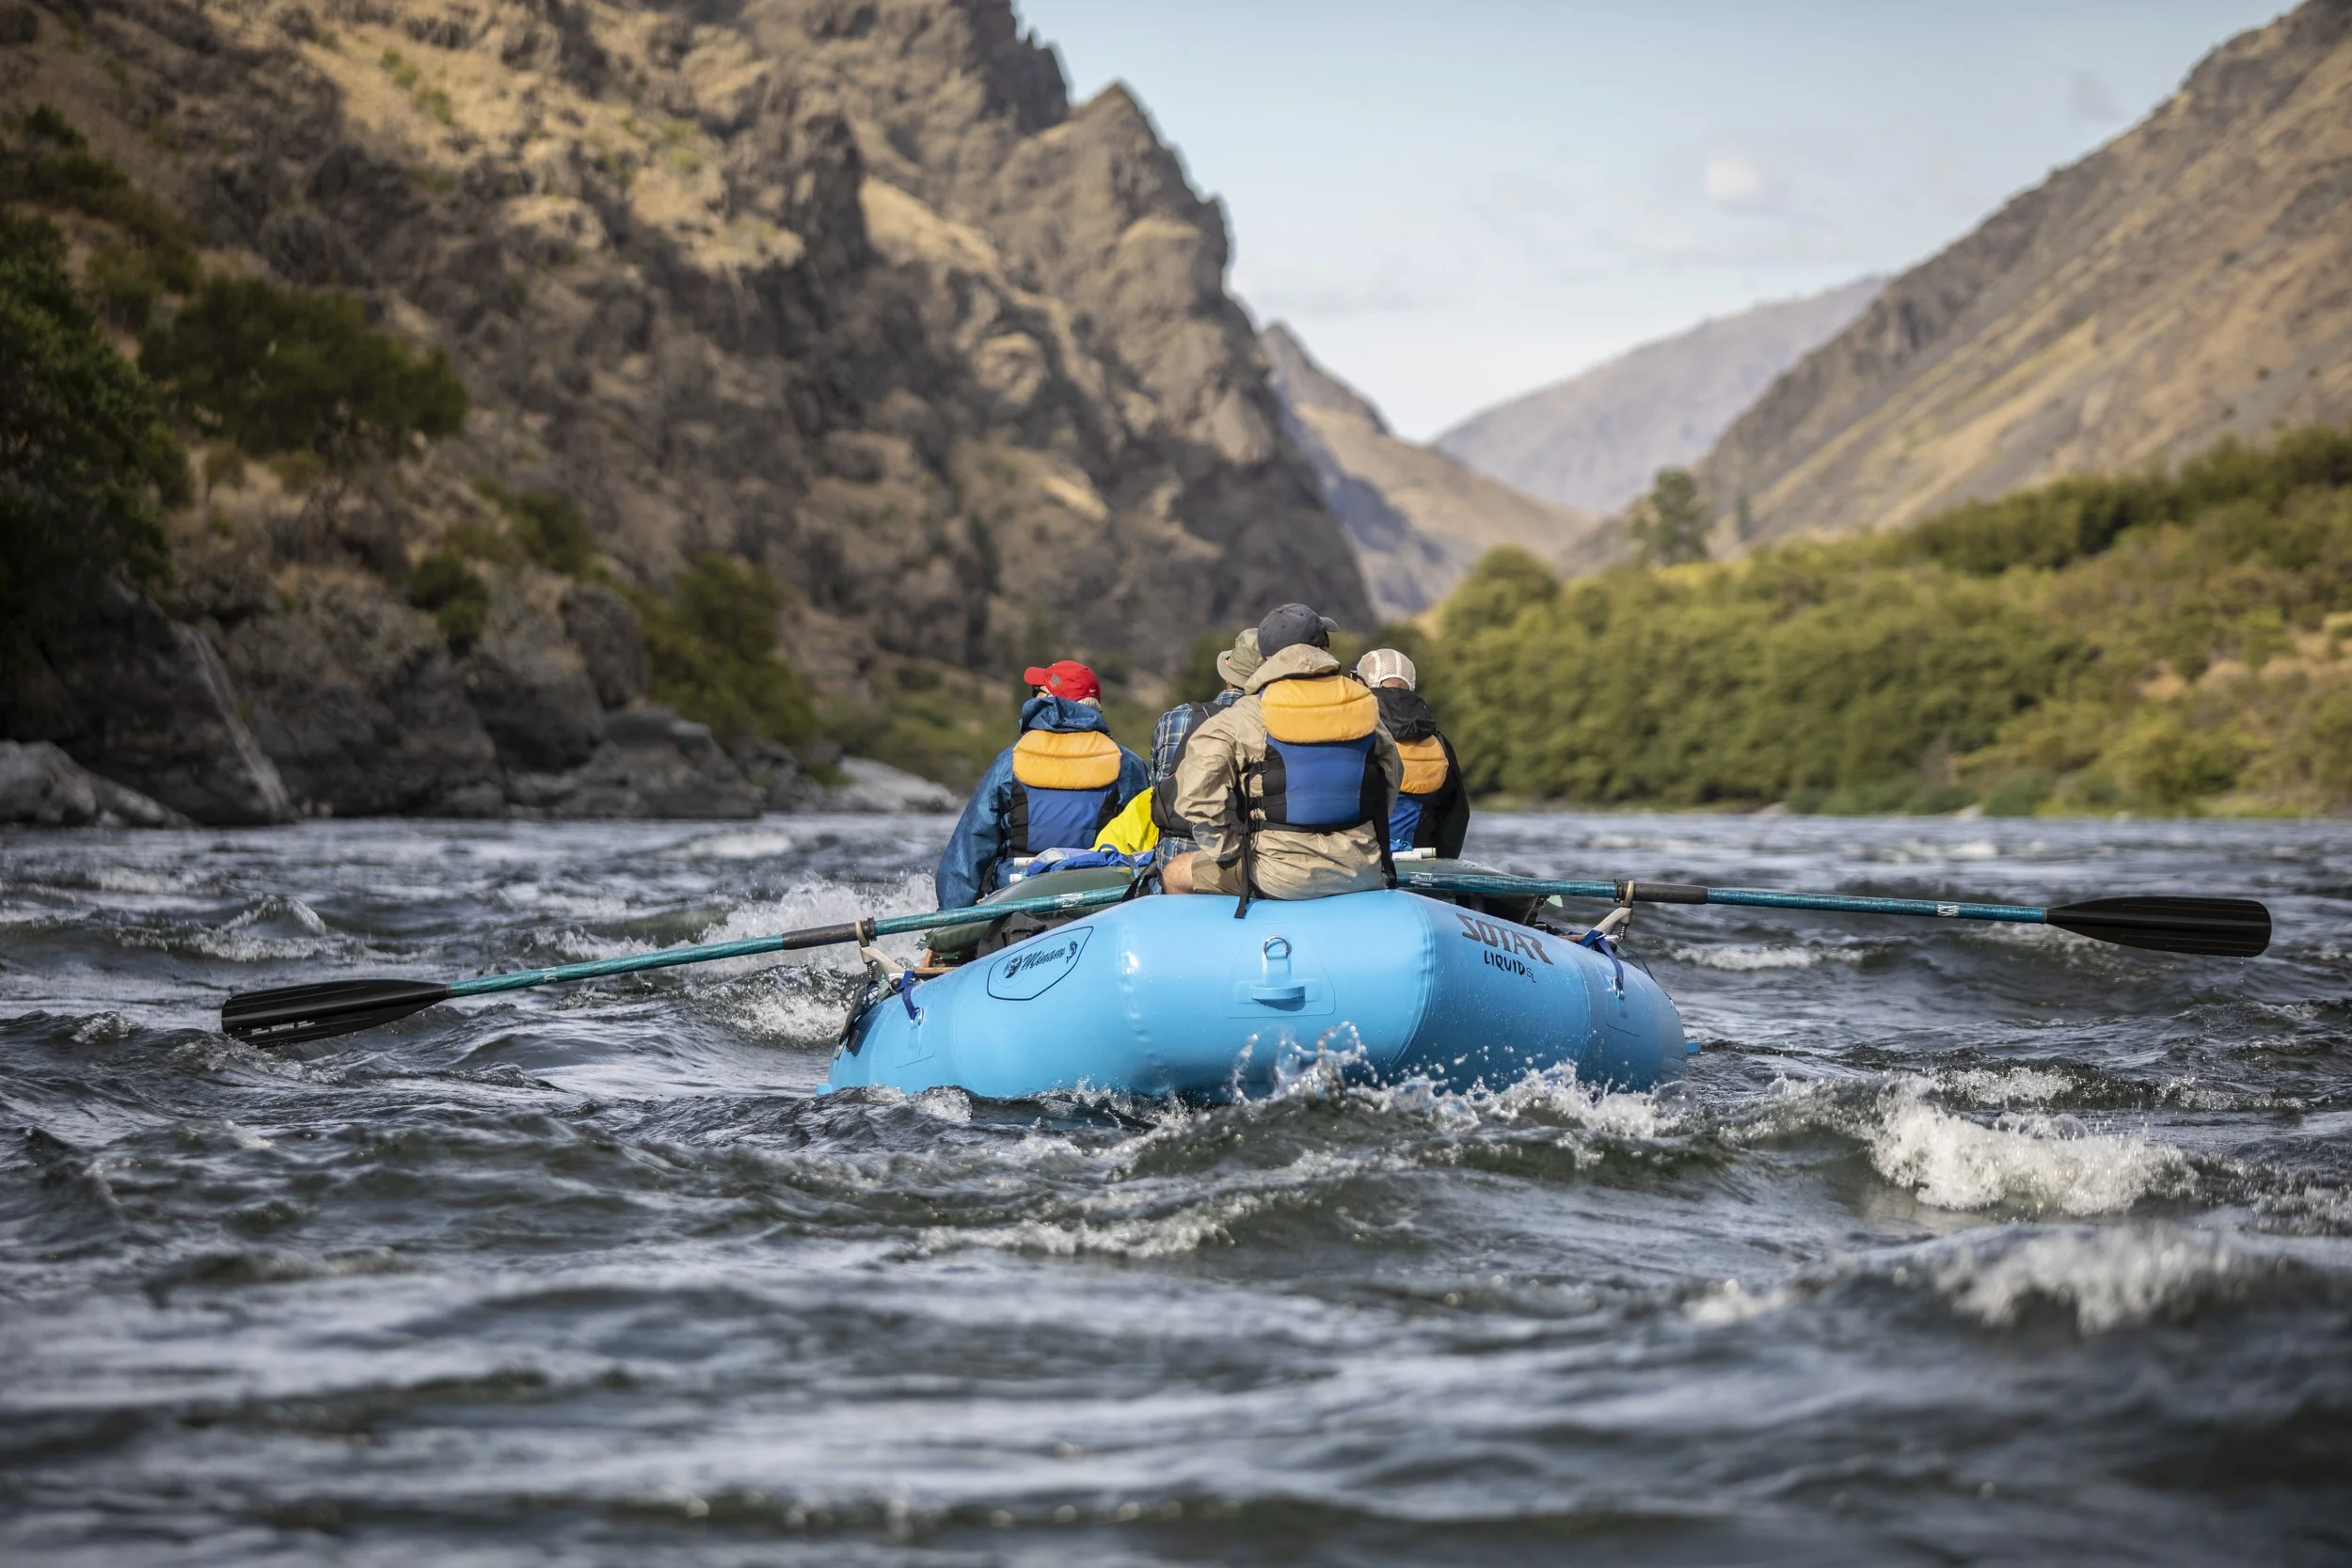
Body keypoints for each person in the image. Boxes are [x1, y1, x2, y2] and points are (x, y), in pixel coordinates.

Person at [1163, 603, 1401, 906]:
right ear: (1324, 647)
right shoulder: (1364, 707)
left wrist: (1229, 851)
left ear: (1265, 659)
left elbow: (1196, 798)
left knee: (1174, 872)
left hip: (1277, 876)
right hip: (1363, 869)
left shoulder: (1243, 717)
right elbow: (1391, 780)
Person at [933, 659, 1149, 910]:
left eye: (1038, 692)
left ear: (1049, 701)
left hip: (1014, 898)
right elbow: (1144, 838)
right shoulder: (1127, 765)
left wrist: (947, 923)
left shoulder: (1010, 760)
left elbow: (971, 845)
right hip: (1094, 900)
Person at [1143, 627, 1259, 865]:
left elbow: (1155, 785)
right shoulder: (1271, 726)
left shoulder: (1174, 719)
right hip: (1246, 862)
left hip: (1173, 859)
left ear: (1228, 675)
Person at [1357, 647, 1469, 860]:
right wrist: (1444, 861)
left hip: (1362, 861)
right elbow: (1456, 817)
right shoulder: (1439, 743)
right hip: (1420, 862)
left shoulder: (1354, 733)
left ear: (1362, 684)